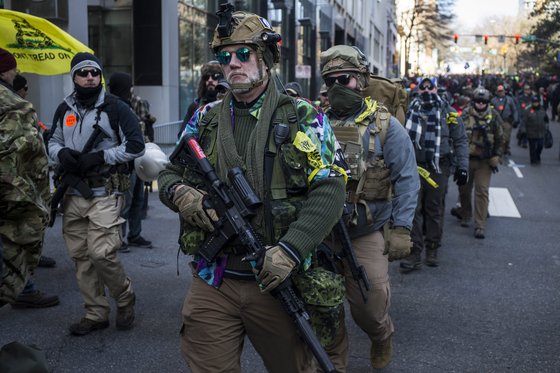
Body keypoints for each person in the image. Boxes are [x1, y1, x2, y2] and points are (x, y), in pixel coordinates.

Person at [158, 8, 347, 373]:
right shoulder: (205, 117)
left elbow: (330, 189)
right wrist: (181, 193)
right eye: (224, 56)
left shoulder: (304, 117)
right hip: (214, 277)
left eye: (244, 54)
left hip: (277, 278)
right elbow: (169, 173)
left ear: (266, 58)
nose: (233, 64)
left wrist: (291, 250)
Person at [320, 45, 420, 369]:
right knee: (324, 304)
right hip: (319, 231)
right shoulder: (313, 122)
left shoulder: (386, 126)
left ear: (361, 80)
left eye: (344, 79)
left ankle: (382, 334)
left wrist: (402, 228)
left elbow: (407, 179)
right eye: (330, 80)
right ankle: (335, 361)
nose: (337, 87)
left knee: (370, 304)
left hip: (366, 230)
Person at [48, 52, 144, 335]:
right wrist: (61, 153)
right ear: (73, 77)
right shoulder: (63, 109)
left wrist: (101, 158)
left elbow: (136, 145)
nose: (90, 77)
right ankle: (96, 312)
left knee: (101, 253)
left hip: (105, 191)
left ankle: (125, 297)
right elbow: (51, 141)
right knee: (80, 257)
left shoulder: (116, 108)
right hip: (73, 193)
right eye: (83, 72)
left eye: (94, 72)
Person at [0, 48, 58, 309]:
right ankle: (22, 288)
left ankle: (25, 288)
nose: (16, 74)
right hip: (12, 195)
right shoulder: (12, 107)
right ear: (6, 71)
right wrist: (32, 201)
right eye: (14, 68)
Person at [400, 77, 468, 271]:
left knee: (434, 208)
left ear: (437, 89)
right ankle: (414, 252)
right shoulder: (408, 111)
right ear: (419, 90)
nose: (427, 90)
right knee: (413, 210)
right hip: (413, 166)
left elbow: (461, 140)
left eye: (431, 87)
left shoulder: (449, 112)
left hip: (438, 167)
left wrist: (463, 167)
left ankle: (432, 248)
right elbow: (395, 138)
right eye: (423, 87)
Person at [108, 72, 153, 252]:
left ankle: (134, 234)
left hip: (137, 161)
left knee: (138, 201)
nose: (132, 89)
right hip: (123, 164)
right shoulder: (112, 107)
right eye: (129, 86)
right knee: (124, 203)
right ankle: (119, 238)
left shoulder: (128, 104)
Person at [451, 87, 503, 239]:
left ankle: (480, 224)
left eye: (484, 102)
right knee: (464, 190)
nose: (480, 104)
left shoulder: (494, 116)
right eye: (478, 101)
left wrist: (497, 156)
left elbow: (501, 138)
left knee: (482, 191)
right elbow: (456, 135)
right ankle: (465, 214)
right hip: (466, 159)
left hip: (485, 162)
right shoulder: (465, 114)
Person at [177, 60, 223, 137]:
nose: (210, 80)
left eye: (215, 76)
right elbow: (183, 135)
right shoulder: (195, 106)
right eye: (206, 77)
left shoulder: (230, 104)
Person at [490, 85, 518, 156]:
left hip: (507, 121)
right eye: (499, 91)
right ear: (497, 92)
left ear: (504, 91)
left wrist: (515, 119)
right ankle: (499, 149)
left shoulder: (509, 100)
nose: (500, 93)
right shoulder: (493, 100)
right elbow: (490, 110)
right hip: (497, 121)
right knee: (498, 135)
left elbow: (514, 110)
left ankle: (506, 148)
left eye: (502, 91)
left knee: (506, 136)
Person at [523, 95, 549, 165]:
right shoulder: (527, 110)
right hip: (531, 131)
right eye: (534, 102)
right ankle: (533, 160)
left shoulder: (542, 109)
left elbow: (546, 119)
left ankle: (537, 155)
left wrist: (546, 127)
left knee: (540, 145)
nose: (536, 103)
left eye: (537, 102)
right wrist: (524, 131)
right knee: (532, 147)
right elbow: (524, 121)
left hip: (541, 131)